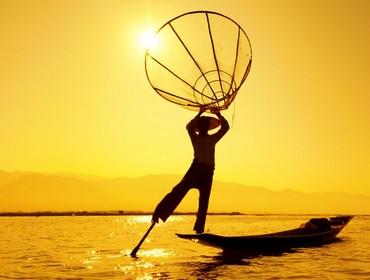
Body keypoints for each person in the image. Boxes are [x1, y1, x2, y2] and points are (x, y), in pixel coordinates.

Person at [152, 107, 229, 233]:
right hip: (196, 169)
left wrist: (218, 114)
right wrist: (199, 113)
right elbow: (189, 127)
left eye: (205, 126)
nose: (204, 128)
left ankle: (199, 229)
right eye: (202, 126)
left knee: (204, 201)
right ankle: (158, 214)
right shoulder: (195, 137)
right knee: (178, 191)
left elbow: (225, 127)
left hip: (208, 172)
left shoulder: (212, 138)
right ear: (199, 128)